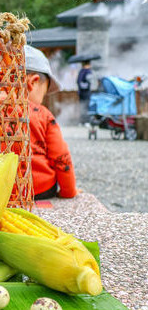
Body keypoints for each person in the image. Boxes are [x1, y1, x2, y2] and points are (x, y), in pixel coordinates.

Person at [24, 45, 78, 200]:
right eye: (45, 91)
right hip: (39, 190)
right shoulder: (43, 115)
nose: (43, 98)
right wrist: (69, 192)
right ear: (33, 82)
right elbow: (61, 157)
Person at [77, 60, 94, 124]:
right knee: (86, 106)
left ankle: (82, 121)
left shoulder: (81, 71)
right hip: (86, 92)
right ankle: (86, 121)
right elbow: (89, 81)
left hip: (81, 92)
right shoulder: (88, 71)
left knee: (82, 107)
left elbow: (78, 81)